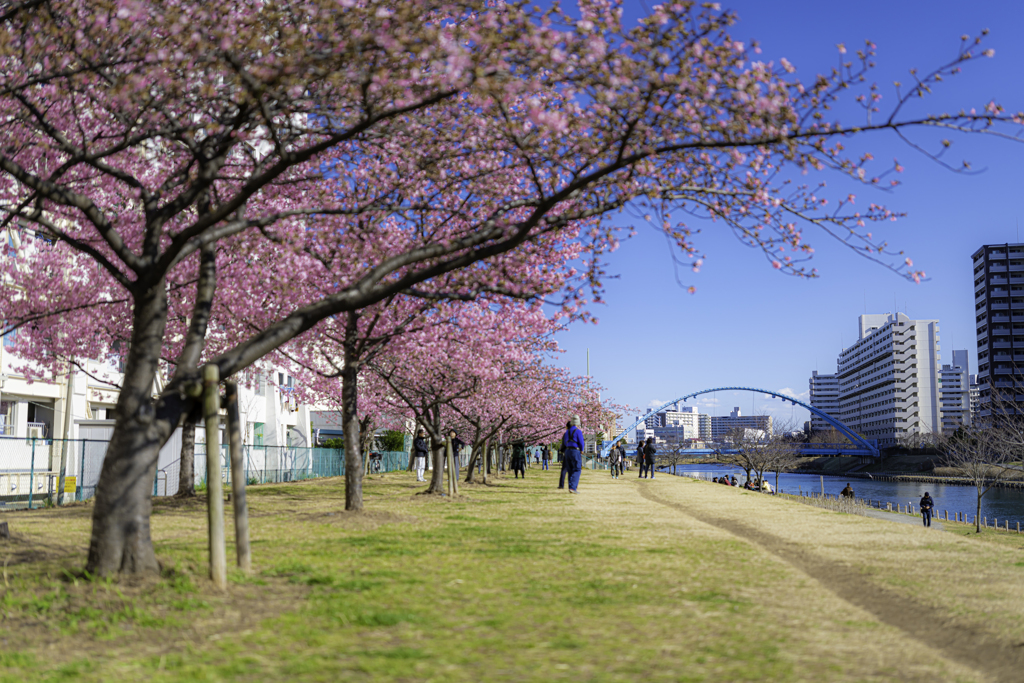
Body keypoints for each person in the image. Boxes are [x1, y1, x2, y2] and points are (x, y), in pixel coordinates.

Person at [561, 415, 585, 493]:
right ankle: (573, 487)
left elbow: (564, 442)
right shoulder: (578, 431)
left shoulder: (567, 432)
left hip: (567, 451)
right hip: (575, 451)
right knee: (577, 469)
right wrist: (582, 449)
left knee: (570, 469)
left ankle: (570, 486)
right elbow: (581, 442)